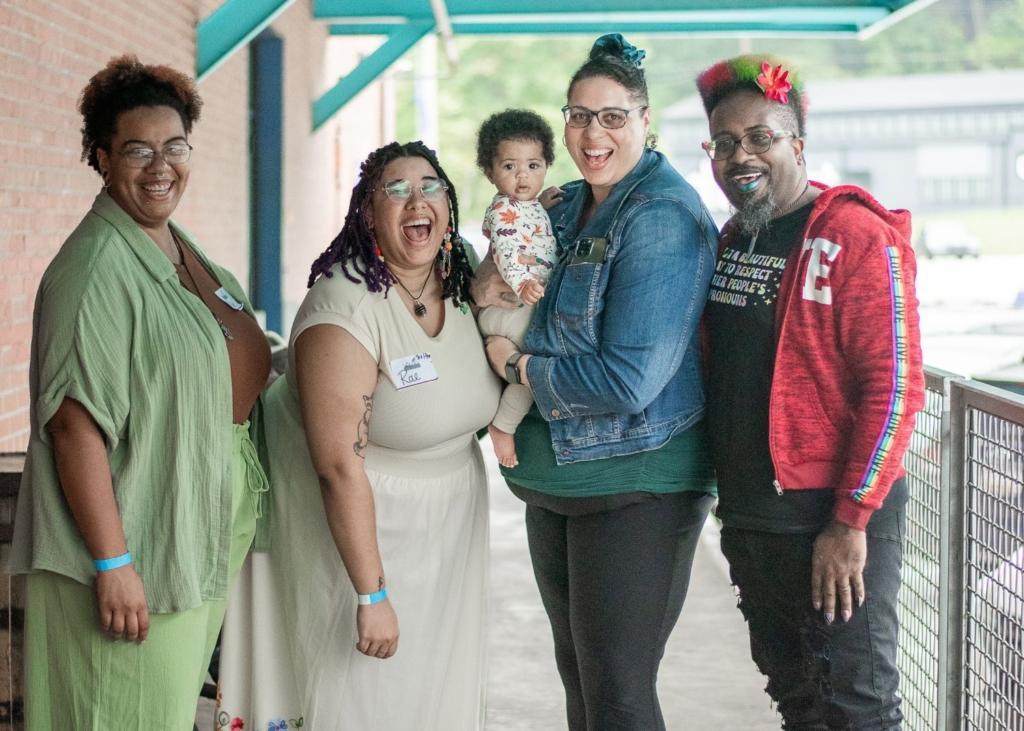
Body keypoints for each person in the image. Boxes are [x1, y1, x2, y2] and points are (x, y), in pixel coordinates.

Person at [7, 55, 270, 730]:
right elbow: (73, 426)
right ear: (100, 156)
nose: (162, 165)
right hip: (137, 546)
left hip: (191, 532)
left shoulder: (176, 247)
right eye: (138, 149)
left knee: (163, 713)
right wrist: (114, 561)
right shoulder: (94, 268)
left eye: (175, 146)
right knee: (118, 711)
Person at [475, 34, 718, 730]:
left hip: (636, 482)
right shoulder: (562, 204)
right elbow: (509, 287)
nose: (593, 131)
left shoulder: (662, 217)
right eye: (579, 115)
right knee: (580, 678)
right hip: (559, 482)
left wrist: (520, 367)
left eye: (613, 116)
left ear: (646, 121)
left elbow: (627, 378)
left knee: (617, 691)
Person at [216, 141, 501, 730]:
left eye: (431, 187)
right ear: (367, 214)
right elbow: (337, 467)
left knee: (431, 697)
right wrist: (371, 596)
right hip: (366, 541)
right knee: (366, 698)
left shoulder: (460, 278)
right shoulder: (343, 306)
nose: (417, 201)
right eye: (395, 190)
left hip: (448, 532)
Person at [695, 55, 925, 729]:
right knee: (795, 695)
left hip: (829, 515)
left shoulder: (855, 236)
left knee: (858, 703)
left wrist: (851, 520)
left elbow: (896, 384)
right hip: (753, 515)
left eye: (760, 136)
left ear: (797, 143)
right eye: (725, 142)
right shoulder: (736, 237)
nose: (742, 155)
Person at [475, 108, 558, 468]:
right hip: (511, 306)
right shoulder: (504, 212)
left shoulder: (524, 206)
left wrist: (540, 205)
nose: (522, 176)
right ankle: (503, 426)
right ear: (490, 172)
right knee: (536, 367)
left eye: (533, 165)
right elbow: (509, 250)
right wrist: (523, 283)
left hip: (518, 305)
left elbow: (528, 231)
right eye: (509, 167)